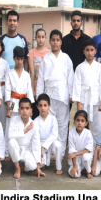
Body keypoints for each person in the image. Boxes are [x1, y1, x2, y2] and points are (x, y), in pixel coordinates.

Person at [37, 30, 74, 158]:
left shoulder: (66, 58)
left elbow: (70, 77)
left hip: (63, 94)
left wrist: (71, 95)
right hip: (49, 94)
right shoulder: (45, 59)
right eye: (53, 40)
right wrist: (39, 97)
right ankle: (49, 152)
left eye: (57, 40)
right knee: (50, 124)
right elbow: (40, 79)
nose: (55, 42)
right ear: (50, 41)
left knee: (63, 125)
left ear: (61, 42)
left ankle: (61, 152)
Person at [72, 39, 101, 147]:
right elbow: (77, 85)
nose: (89, 52)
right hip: (84, 101)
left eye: (91, 50)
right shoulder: (79, 67)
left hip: (97, 101)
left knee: (97, 128)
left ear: (95, 51)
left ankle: (97, 154)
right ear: (83, 51)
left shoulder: (100, 67)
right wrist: (78, 103)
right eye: (87, 50)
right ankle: (84, 151)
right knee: (82, 127)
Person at [4, 46, 34, 160]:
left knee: (23, 125)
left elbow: (29, 90)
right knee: (10, 127)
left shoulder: (26, 74)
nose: (19, 61)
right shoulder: (10, 73)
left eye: (21, 59)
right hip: (13, 102)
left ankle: (23, 149)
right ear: (13, 58)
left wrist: (30, 108)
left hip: (24, 104)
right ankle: (7, 152)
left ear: (23, 60)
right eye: (17, 59)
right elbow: (7, 91)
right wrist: (8, 108)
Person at [8, 98, 46, 179]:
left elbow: (36, 145)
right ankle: (17, 168)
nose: (24, 111)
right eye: (22, 108)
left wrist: (38, 167)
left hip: (26, 150)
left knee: (32, 167)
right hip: (16, 148)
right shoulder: (14, 120)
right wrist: (25, 130)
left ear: (31, 110)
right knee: (11, 142)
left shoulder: (34, 124)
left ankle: (24, 164)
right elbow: (10, 135)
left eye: (27, 108)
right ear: (18, 110)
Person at [34, 94, 62, 175]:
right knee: (39, 164)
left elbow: (54, 135)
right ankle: (44, 163)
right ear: (37, 107)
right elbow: (35, 138)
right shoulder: (35, 121)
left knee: (58, 145)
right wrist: (40, 148)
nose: (43, 108)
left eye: (45, 105)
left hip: (50, 143)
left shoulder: (53, 119)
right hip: (39, 145)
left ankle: (59, 168)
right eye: (40, 105)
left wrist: (44, 147)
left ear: (49, 106)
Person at [28, 28, 50, 119]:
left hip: (47, 88)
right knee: (36, 114)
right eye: (38, 37)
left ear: (45, 38)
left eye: (42, 37)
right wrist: (33, 89)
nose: (40, 39)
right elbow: (32, 72)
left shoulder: (49, 53)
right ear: (35, 38)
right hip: (36, 86)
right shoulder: (31, 53)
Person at [67, 110, 94, 179]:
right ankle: (77, 167)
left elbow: (88, 150)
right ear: (74, 121)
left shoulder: (88, 133)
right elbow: (72, 151)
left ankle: (87, 171)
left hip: (85, 156)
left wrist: (75, 154)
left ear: (86, 123)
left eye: (82, 121)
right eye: (78, 120)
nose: (79, 123)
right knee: (74, 174)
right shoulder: (71, 133)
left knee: (86, 157)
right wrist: (75, 166)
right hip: (75, 159)